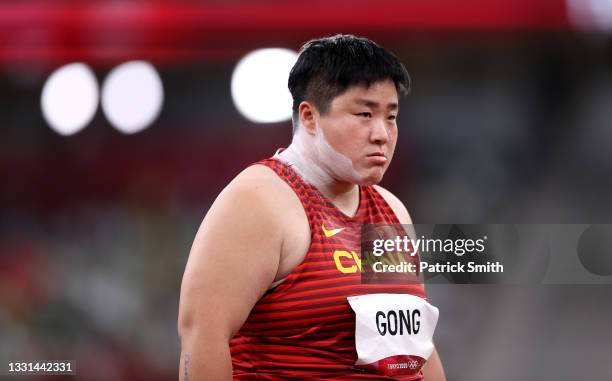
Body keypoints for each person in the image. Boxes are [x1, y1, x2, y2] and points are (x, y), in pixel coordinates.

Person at [178, 34, 446, 380]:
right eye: (365, 113)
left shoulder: (391, 211)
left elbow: (413, 347)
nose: (382, 133)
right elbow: (201, 336)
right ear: (309, 117)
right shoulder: (260, 201)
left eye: (391, 117)